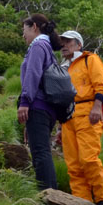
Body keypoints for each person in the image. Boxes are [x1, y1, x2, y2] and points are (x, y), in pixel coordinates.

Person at [58, 30, 103, 205]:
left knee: (88, 159)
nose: (64, 45)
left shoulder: (90, 60)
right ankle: (82, 204)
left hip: (88, 113)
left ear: (79, 44)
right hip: (67, 117)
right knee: (73, 165)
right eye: (62, 42)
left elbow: (101, 85)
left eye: (68, 41)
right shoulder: (63, 67)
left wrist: (97, 107)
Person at [18, 13, 64, 190]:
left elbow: (32, 75)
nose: (23, 35)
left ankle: (48, 195)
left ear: (34, 27)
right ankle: (51, 193)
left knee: (40, 152)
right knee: (42, 150)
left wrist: (25, 102)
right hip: (47, 108)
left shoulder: (38, 46)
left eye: (25, 30)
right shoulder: (48, 48)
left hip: (37, 104)